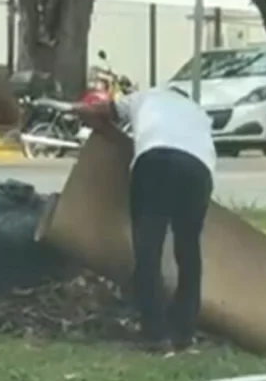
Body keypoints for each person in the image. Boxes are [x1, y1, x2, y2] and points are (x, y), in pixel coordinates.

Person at [77, 87, 216, 353]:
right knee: (188, 251)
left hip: (156, 161)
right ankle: (184, 333)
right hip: (199, 170)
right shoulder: (199, 113)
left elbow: (103, 111)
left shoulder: (147, 96)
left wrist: (80, 111)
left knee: (148, 248)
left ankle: (155, 333)